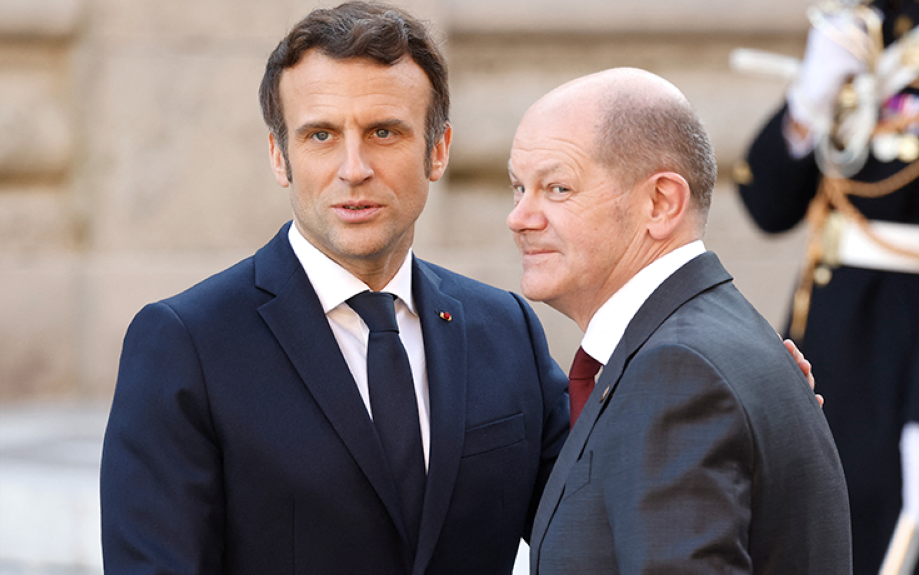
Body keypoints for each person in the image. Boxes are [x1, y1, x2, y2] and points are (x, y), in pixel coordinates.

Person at [100, 3, 571, 573]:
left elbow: (590, 527)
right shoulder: (185, 344)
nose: (354, 168)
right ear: (280, 156)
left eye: (384, 132)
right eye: (321, 135)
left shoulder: (508, 330)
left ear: (438, 150)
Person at [508, 68, 852, 574]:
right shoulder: (705, 342)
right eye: (518, 188)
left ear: (661, 202)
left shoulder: (676, 371)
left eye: (557, 188)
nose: (520, 217)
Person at [735, 0, 919, 572]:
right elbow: (765, 202)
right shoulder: (872, 36)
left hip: (916, 369)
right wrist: (807, 106)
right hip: (828, 358)